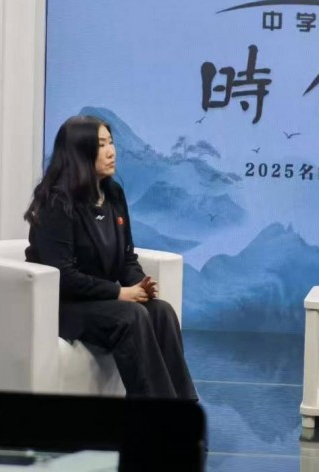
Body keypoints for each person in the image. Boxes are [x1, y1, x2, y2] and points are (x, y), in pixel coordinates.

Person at [24, 115, 198, 400]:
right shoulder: (56, 203)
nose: (111, 151)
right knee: (131, 316)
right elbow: (63, 276)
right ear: (80, 153)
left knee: (161, 311)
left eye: (111, 142)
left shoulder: (113, 194)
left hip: (101, 302)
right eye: (101, 145)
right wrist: (119, 293)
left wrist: (140, 285)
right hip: (64, 307)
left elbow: (126, 258)